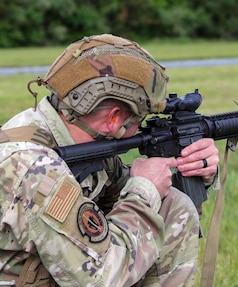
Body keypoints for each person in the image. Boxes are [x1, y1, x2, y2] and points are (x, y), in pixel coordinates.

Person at [0, 34, 219, 286]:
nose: (139, 128)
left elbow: (155, 204)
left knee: (171, 203)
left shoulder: (78, 142)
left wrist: (192, 168)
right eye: (140, 119)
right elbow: (101, 278)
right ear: (114, 118)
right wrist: (143, 190)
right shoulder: (34, 168)